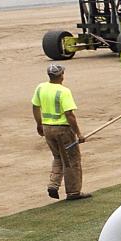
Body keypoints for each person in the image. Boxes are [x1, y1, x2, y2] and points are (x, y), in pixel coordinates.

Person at [31, 63, 90, 200]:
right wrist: (79, 133)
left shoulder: (41, 87)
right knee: (71, 160)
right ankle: (73, 191)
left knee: (58, 157)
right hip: (62, 130)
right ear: (61, 76)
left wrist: (39, 124)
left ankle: (53, 184)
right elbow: (69, 114)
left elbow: (35, 106)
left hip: (47, 128)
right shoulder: (64, 91)